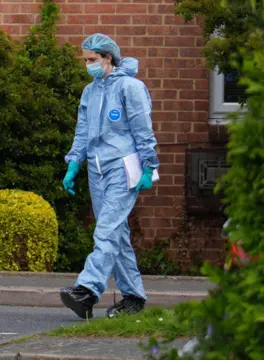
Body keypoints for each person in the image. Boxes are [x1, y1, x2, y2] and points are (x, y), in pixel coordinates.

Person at [60, 33, 160, 319]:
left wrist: (149, 166)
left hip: (123, 166)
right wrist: (74, 163)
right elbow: (82, 132)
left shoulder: (131, 87)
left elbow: (143, 129)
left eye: (92, 60)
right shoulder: (90, 92)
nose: (88, 65)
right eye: (86, 60)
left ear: (107, 58)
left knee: (105, 229)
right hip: (97, 168)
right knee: (117, 233)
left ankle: (87, 289)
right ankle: (133, 296)